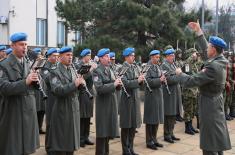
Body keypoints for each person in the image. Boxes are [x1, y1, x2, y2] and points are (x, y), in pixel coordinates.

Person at [176, 21, 231, 155]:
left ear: (213, 49)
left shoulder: (213, 66)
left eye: (209, 48)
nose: (206, 50)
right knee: (216, 139)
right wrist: (199, 32)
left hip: (209, 106)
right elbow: (207, 53)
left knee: (209, 141)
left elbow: (191, 80)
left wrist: (180, 74)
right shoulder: (220, 60)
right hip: (215, 102)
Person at [0, 32, 40, 155]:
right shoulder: (3, 65)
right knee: (13, 147)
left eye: (26, 44)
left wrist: (37, 80)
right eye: (21, 44)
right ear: (12, 46)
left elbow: (34, 85)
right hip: (14, 112)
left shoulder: (28, 63)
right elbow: (4, 88)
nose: (25, 47)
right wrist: (25, 82)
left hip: (28, 110)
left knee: (26, 147)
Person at [48, 46, 84, 155]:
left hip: (73, 109)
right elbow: (57, 90)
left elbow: (76, 91)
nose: (70, 57)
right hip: (62, 110)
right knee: (61, 144)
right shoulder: (55, 71)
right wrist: (75, 84)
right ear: (60, 57)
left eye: (71, 55)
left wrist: (81, 85)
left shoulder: (73, 69)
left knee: (71, 143)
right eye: (67, 55)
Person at [93, 48, 120, 155]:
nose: (109, 58)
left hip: (111, 104)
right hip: (103, 106)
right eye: (106, 56)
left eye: (109, 56)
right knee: (102, 133)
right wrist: (113, 84)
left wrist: (118, 84)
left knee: (108, 132)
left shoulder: (110, 69)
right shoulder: (97, 71)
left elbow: (114, 84)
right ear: (100, 58)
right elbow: (99, 88)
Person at [119, 47, 145, 155]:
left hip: (134, 99)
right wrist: (137, 80)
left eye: (134, 55)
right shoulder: (122, 68)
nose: (134, 57)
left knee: (133, 125)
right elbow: (125, 83)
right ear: (126, 57)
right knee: (126, 126)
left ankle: (131, 148)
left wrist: (141, 80)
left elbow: (138, 83)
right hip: (127, 100)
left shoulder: (134, 67)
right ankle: (125, 150)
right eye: (132, 55)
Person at [144, 50, 165, 150]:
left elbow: (160, 78)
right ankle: (149, 141)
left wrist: (163, 79)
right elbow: (147, 81)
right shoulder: (147, 67)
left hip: (158, 95)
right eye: (156, 57)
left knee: (156, 118)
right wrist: (159, 80)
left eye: (158, 57)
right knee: (150, 119)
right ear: (151, 57)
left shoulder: (157, 66)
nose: (158, 59)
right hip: (151, 96)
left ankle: (154, 139)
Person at [161, 48, 182, 143]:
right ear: (167, 56)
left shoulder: (173, 64)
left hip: (175, 92)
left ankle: (171, 133)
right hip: (169, 93)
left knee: (173, 114)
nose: (173, 57)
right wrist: (178, 75)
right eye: (171, 55)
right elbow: (169, 79)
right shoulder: (164, 65)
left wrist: (177, 75)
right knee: (168, 114)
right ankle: (167, 134)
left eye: (173, 55)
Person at [76, 48, 96, 147]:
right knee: (82, 116)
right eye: (89, 55)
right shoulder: (79, 65)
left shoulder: (90, 64)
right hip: (82, 93)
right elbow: (81, 78)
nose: (90, 57)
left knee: (88, 116)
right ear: (84, 56)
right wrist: (91, 69)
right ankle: (80, 138)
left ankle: (86, 136)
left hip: (90, 92)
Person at [43, 48, 59, 153]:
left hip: (57, 97)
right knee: (50, 123)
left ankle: (55, 144)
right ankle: (48, 146)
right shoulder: (45, 67)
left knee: (56, 122)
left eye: (58, 56)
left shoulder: (56, 66)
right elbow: (47, 78)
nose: (56, 57)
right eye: (54, 56)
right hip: (50, 98)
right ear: (49, 57)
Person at [181, 48, 201, 135]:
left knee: (192, 110)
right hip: (188, 92)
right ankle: (187, 128)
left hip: (194, 91)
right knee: (188, 110)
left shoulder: (195, 64)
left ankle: (190, 127)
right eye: (194, 54)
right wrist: (191, 57)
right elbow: (188, 75)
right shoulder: (187, 63)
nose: (196, 55)